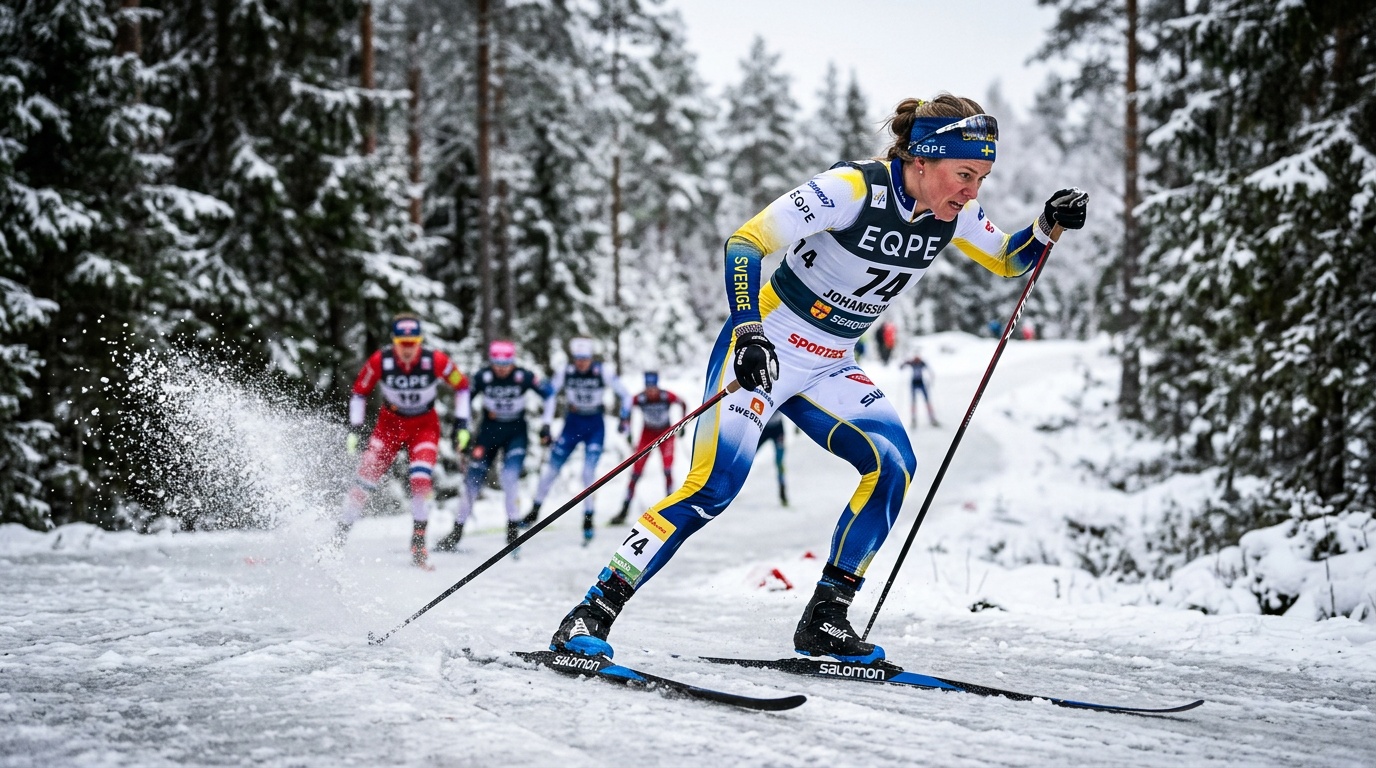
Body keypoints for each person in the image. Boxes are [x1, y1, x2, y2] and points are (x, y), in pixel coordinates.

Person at [546, 94, 1088, 663]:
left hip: (831, 360)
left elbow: (1007, 258)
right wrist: (749, 328)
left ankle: (826, 618)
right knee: (714, 486)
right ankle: (592, 610)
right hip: (765, 344)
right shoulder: (853, 189)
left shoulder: (950, 215)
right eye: (964, 174)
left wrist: (1047, 224)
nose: (972, 191)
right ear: (922, 160)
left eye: (981, 178)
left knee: (893, 465)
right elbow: (745, 242)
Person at [332, 313, 470, 569]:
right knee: (363, 480)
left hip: (424, 427)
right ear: (394, 342)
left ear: (419, 342)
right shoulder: (381, 361)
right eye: (402, 344)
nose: (407, 350)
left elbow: (462, 386)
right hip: (389, 426)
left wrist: (462, 425)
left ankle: (418, 543)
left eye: (412, 344)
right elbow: (359, 393)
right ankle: (337, 539)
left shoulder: (435, 361)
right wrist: (355, 427)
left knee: (420, 480)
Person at [434, 340, 554, 552]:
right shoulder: (484, 376)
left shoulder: (522, 376)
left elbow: (549, 393)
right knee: (472, 479)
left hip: (516, 432)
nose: (501, 369)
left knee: (509, 478)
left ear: (512, 362)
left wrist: (546, 425)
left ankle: (512, 530)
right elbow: (464, 396)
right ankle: (456, 531)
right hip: (489, 431)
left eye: (505, 364)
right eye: (497, 364)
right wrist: (461, 426)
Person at [526, 337, 632, 542]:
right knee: (552, 468)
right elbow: (550, 395)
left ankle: (588, 518)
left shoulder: (602, 371)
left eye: (585, 359)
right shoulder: (566, 371)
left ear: (591, 357)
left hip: (594, 425)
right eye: (578, 359)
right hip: (572, 423)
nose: (582, 363)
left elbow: (625, 395)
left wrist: (625, 418)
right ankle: (534, 511)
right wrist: (546, 424)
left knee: (588, 472)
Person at [609, 372, 686, 525]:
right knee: (636, 472)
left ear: (658, 386)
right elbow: (627, 407)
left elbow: (682, 403)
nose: (651, 391)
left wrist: (682, 424)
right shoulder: (641, 398)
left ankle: (670, 509)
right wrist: (625, 426)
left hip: (666, 434)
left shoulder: (666, 396)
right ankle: (624, 509)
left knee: (667, 469)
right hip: (648, 434)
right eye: (648, 388)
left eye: (653, 388)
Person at [757, 411, 788, 507]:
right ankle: (736, 484)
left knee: (779, 461)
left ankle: (782, 489)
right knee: (748, 457)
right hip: (764, 427)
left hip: (777, 429)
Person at [901, 352, 939, 428]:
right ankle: (913, 419)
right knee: (913, 401)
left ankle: (932, 418)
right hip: (914, 383)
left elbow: (929, 369)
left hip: (921, 382)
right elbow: (902, 366)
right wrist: (903, 363)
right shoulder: (912, 362)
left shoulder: (921, 363)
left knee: (927, 400)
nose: (917, 359)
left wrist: (931, 376)